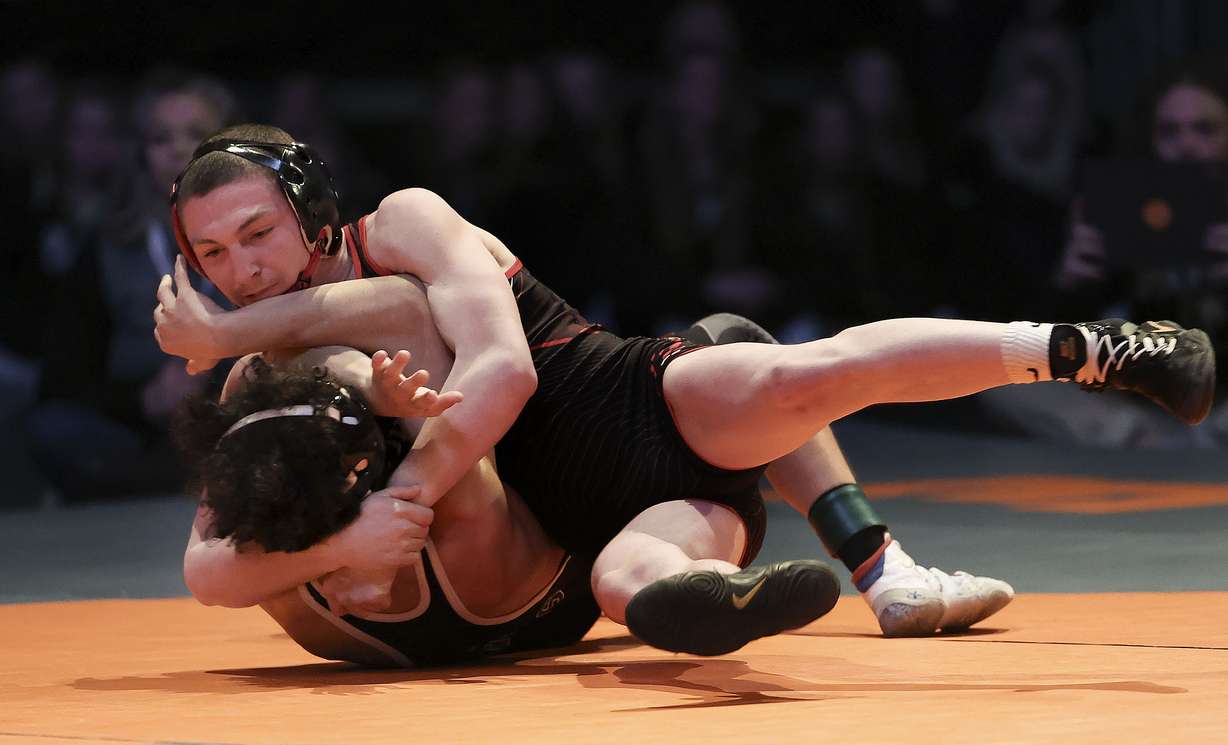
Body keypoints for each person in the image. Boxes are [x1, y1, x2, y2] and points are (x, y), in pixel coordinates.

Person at [155, 125, 1214, 647]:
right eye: (214, 255)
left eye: (257, 233)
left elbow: (506, 371)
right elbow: (207, 557)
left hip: (624, 402)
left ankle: (1085, 347)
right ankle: (741, 610)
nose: (241, 267)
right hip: (572, 525)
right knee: (633, 585)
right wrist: (359, 526)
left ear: (311, 210)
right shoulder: (263, 369)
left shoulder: (409, 224)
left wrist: (410, 488)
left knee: (810, 368)